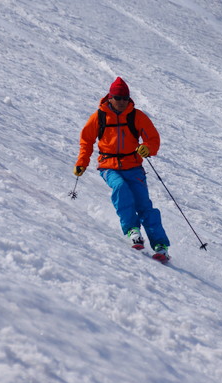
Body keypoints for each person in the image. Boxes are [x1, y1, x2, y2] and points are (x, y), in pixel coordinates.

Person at [73, 77, 171, 263]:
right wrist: (82, 162)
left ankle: (160, 246)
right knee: (120, 188)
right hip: (108, 166)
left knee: (144, 205)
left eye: (125, 98)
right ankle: (132, 230)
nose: (121, 101)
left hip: (134, 167)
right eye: (117, 98)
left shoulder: (136, 116)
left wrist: (147, 148)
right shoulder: (99, 116)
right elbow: (86, 140)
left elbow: (153, 138)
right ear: (110, 97)